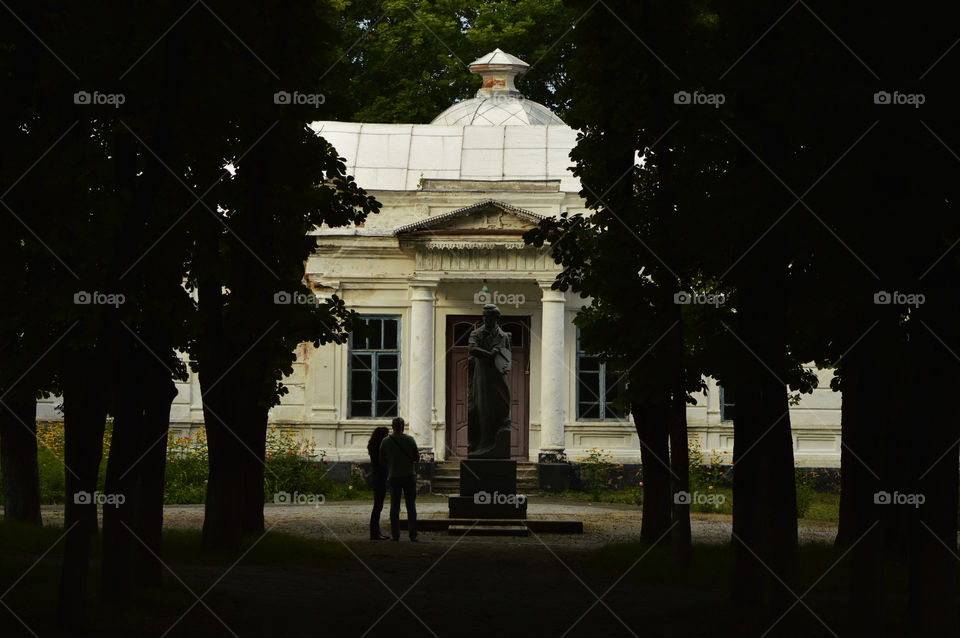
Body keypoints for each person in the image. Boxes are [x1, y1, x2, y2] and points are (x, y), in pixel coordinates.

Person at [467, 304, 512, 459]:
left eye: (489, 316)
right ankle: (482, 443)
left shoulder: (504, 336)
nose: (485, 319)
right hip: (482, 376)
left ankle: (499, 432)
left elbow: (507, 355)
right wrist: (490, 354)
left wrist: (505, 365)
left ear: (496, 318)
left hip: (498, 376)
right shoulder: (476, 334)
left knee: (503, 402)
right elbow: (472, 349)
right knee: (483, 407)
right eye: (484, 316)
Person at [379, 417, 419, 541]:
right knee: (411, 506)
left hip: (394, 476)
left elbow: (381, 460)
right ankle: (413, 535)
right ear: (403, 426)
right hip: (409, 476)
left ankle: (395, 535)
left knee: (394, 507)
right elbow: (416, 458)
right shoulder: (410, 439)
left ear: (392, 426)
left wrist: (391, 464)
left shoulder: (385, 441)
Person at [367, 426, 390, 540]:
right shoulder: (381, 449)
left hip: (376, 476)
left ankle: (376, 532)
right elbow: (384, 463)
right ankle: (375, 533)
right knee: (378, 506)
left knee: (377, 506)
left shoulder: (372, 447)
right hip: (380, 477)